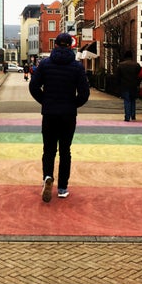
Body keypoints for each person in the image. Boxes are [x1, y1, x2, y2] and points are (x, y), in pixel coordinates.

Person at [29, 32, 90, 202]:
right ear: (70, 45)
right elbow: (84, 93)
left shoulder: (45, 63)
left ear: (55, 45)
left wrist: (45, 101)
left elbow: (34, 86)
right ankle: (62, 188)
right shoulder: (77, 66)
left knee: (48, 149)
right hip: (68, 115)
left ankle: (47, 177)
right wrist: (73, 104)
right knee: (65, 151)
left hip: (49, 114)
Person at [116, 50, 141, 121]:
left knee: (127, 100)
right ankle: (133, 115)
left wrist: (118, 85)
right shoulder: (136, 65)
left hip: (124, 85)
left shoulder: (121, 65)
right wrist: (137, 83)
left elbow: (117, 76)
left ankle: (127, 116)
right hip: (134, 85)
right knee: (133, 100)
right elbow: (140, 76)